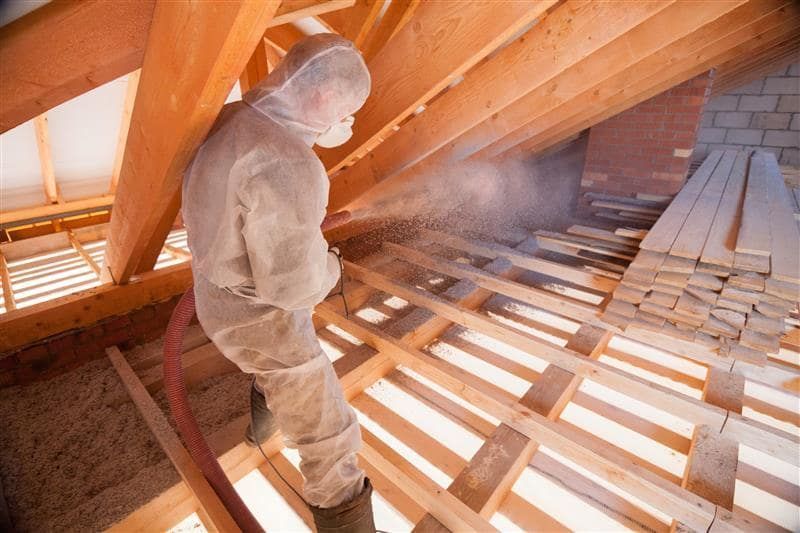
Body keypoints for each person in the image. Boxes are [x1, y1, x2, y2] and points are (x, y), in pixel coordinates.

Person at [182, 34, 374, 532]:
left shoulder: (231, 119)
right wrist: (330, 267)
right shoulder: (288, 163)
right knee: (326, 430)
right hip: (258, 316)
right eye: (346, 112)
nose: (345, 125)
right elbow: (291, 286)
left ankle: (258, 433)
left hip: (214, 293)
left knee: (272, 374)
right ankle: (347, 518)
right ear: (320, 97)